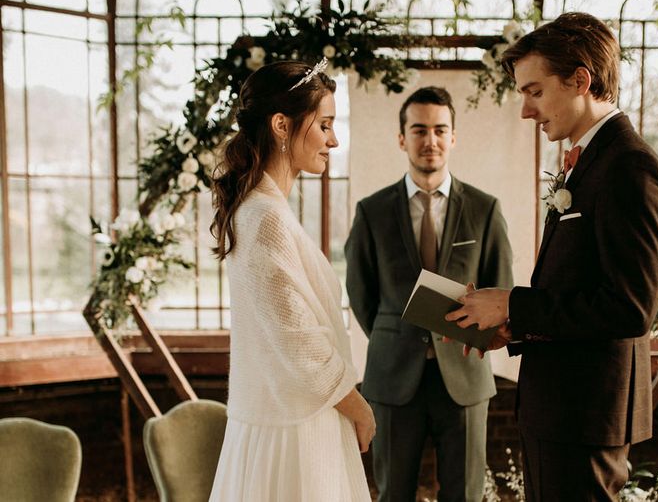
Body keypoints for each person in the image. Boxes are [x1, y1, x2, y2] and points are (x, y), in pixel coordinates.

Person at [446, 12, 658, 501]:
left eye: (534, 91)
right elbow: (579, 287)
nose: (526, 111)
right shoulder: (590, 161)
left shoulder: (628, 166)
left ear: (580, 80)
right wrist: (514, 327)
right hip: (563, 409)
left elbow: (631, 306)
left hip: (583, 414)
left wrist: (513, 304)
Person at [208, 60, 374, 501]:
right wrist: (358, 408)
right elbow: (297, 339)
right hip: (292, 436)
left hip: (299, 417)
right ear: (282, 125)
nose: (333, 140)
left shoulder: (267, 209)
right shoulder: (264, 217)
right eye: (325, 125)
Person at [345, 86, 514, 502]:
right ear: (402, 138)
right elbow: (361, 292)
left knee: (465, 495)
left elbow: (500, 289)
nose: (430, 140)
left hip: (465, 375)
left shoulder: (484, 208)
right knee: (393, 494)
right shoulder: (372, 211)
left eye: (440, 130)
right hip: (392, 376)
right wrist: (399, 336)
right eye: (419, 130)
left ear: (453, 136)